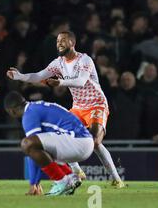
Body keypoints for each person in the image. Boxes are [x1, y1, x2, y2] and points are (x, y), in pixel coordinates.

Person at [7, 31, 126, 188]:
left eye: (63, 40)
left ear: (72, 42)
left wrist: (61, 83)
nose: (59, 44)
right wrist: (20, 76)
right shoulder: (58, 63)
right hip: (78, 106)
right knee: (65, 136)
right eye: (57, 41)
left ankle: (116, 178)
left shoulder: (85, 60)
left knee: (95, 141)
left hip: (96, 103)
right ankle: (77, 171)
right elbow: (39, 75)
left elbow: (82, 81)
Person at [4, 91, 93, 196]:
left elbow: (31, 147)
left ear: (12, 111)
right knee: (40, 148)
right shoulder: (36, 107)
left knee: (26, 143)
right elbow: (41, 151)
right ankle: (70, 177)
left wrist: (33, 183)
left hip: (77, 141)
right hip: (83, 142)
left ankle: (62, 181)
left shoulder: (29, 113)